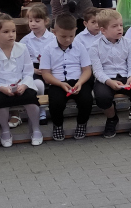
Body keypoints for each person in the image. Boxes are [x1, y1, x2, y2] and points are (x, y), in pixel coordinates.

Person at [0, 13, 43, 148]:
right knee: (0, 102)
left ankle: (36, 129)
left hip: (21, 85)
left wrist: (24, 85)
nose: (11, 35)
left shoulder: (22, 48)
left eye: (13, 31)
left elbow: (28, 71)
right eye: (6, 32)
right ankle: (5, 131)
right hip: (2, 87)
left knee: (31, 100)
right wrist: (3, 88)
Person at [89, 8, 131, 138]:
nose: (120, 28)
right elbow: (97, 71)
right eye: (114, 26)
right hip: (106, 78)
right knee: (102, 97)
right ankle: (112, 119)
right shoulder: (95, 47)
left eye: (120, 25)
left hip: (125, 76)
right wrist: (109, 82)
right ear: (103, 30)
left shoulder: (128, 43)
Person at [40, 12, 94, 142]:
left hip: (78, 81)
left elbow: (87, 70)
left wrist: (80, 82)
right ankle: (58, 125)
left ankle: (82, 124)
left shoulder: (80, 47)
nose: (68, 40)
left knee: (86, 100)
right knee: (56, 102)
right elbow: (46, 74)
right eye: (63, 36)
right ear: (54, 32)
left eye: (71, 36)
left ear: (76, 30)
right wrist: (60, 84)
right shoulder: (48, 49)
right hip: (58, 82)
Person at [20, 5, 51, 98]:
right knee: (38, 84)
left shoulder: (53, 39)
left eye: (37, 21)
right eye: (30, 21)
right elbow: (20, 61)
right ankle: (39, 104)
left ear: (46, 21)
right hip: (33, 68)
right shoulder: (25, 41)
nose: (33, 24)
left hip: (51, 68)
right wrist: (33, 70)